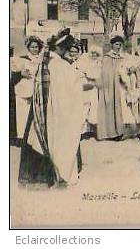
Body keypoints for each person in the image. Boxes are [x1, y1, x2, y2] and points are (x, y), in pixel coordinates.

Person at [19, 29, 84, 187]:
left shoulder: (47, 61)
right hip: (56, 109)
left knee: (38, 138)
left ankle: (40, 175)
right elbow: (68, 89)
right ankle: (58, 174)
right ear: (60, 49)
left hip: (41, 109)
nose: (69, 52)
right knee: (58, 138)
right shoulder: (59, 64)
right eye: (67, 49)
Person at [11, 36, 43, 140]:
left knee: (34, 115)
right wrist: (20, 74)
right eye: (32, 47)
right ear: (28, 48)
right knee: (22, 113)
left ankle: (31, 137)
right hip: (23, 90)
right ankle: (21, 136)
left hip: (36, 89)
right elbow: (14, 74)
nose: (35, 49)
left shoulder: (40, 60)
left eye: (36, 47)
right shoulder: (22, 59)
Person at [96, 36, 126, 141]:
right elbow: (104, 73)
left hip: (118, 86)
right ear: (112, 45)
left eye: (120, 45)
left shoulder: (122, 58)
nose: (119, 47)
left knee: (118, 108)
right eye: (117, 44)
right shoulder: (106, 57)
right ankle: (107, 133)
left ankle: (118, 132)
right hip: (108, 86)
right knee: (107, 107)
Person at [74, 45, 103, 138]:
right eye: (92, 54)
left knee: (94, 108)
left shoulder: (100, 64)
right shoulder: (85, 63)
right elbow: (85, 73)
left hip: (96, 88)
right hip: (87, 86)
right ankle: (82, 131)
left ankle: (92, 129)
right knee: (85, 107)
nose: (94, 56)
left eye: (96, 54)